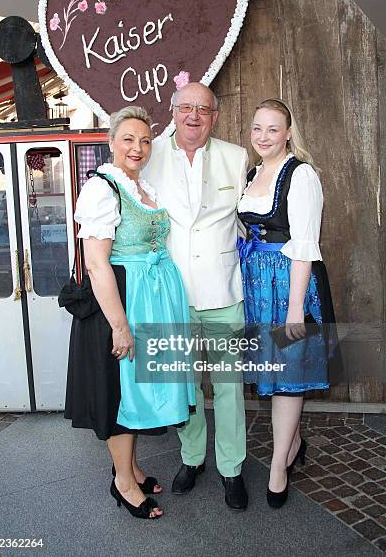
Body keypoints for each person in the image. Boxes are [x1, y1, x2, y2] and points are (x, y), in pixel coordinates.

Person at [64, 106, 195, 520]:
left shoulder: (143, 186)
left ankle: (132, 467)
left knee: (136, 394)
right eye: (128, 139)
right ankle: (122, 482)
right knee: (119, 394)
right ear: (111, 141)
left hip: (151, 299)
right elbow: (98, 263)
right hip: (120, 304)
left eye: (144, 140)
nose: (137, 148)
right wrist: (120, 326)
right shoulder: (102, 188)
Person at [143, 82, 249, 510]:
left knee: (229, 385)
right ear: (172, 111)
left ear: (215, 116)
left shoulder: (236, 157)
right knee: (183, 383)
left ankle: (232, 468)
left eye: (202, 109)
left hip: (224, 289)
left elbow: (247, 221)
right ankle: (192, 458)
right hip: (170, 295)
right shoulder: (150, 155)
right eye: (185, 107)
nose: (193, 116)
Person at [237, 98, 337, 508]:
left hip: (290, 286)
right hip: (258, 285)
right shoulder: (252, 172)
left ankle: (279, 465)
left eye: (273, 129)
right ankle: (293, 442)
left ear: (289, 133)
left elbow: (304, 247)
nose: (263, 137)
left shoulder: (301, 175)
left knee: (287, 377)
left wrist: (295, 310)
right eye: (257, 128)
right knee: (273, 374)